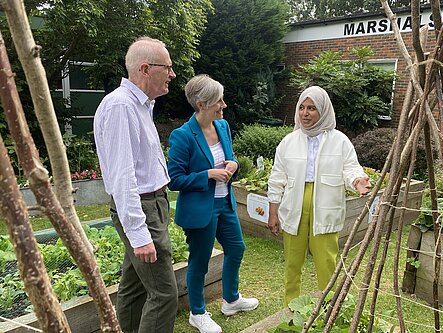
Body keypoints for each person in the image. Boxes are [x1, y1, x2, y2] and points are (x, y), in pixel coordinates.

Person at [93, 36, 178, 333]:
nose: (172, 74)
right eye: (167, 67)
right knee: (165, 294)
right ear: (145, 68)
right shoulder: (121, 107)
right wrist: (139, 233)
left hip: (152, 204)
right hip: (142, 207)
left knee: (134, 288)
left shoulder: (141, 105)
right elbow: (123, 175)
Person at [168, 74, 259, 333]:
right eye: (219, 100)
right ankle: (197, 313)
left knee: (236, 248)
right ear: (202, 104)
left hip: (225, 204)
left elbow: (229, 161)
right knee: (200, 260)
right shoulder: (182, 136)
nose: (224, 105)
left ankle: (231, 300)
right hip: (200, 210)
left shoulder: (222, 127)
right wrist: (207, 175)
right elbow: (173, 179)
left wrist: (234, 164)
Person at [267, 85, 371, 306]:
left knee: (326, 262)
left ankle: (329, 307)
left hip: (325, 205)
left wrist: (357, 180)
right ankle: (291, 308)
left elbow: (350, 168)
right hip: (294, 206)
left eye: (312, 108)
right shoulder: (289, 142)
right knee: (292, 262)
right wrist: (273, 212)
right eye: (302, 107)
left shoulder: (339, 140)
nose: (305, 113)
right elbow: (277, 178)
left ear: (323, 111)